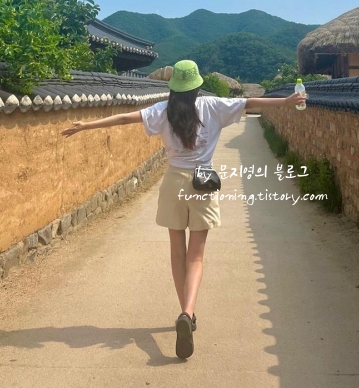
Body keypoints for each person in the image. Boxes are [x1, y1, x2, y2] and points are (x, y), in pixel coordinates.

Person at [61, 59, 306, 359]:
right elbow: (250, 102)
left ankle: (186, 314)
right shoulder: (213, 106)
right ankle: (188, 313)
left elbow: (126, 118)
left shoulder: (163, 111)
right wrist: (287, 101)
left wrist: (86, 125)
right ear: (197, 86)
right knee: (196, 256)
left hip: (173, 182)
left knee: (177, 252)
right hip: (203, 183)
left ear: (174, 86)